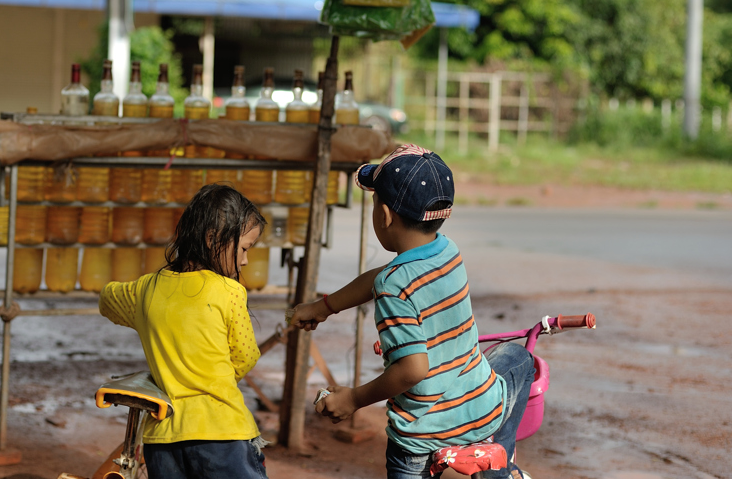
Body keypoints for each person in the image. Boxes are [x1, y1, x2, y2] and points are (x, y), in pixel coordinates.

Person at [291, 144, 533, 479]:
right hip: (480, 411)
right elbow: (381, 278)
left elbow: (413, 369)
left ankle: (497, 468)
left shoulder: (394, 287)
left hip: (419, 439)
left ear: (385, 215)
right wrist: (324, 307)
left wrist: (354, 399)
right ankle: (501, 463)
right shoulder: (448, 251)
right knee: (520, 361)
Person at [99, 184, 269, 479]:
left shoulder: (146, 290)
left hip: (162, 439)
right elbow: (245, 356)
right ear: (213, 238)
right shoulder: (230, 292)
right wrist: (210, 378)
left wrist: (147, 315)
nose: (244, 261)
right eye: (244, 248)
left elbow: (107, 298)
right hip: (223, 433)